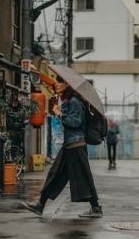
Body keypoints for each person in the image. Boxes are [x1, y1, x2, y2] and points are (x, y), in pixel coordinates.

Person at [22, 83, 103, 218]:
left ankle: (95, 207)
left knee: (83, 177)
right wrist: (61, 109)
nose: (57, 85)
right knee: (55, 174)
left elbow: (75, 122)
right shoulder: (69, 101)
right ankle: (40, 205)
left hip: (76, 145)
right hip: (70, 145)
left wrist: (60, 114)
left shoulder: (75, 102)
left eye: (60, 84)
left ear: (67, 87)